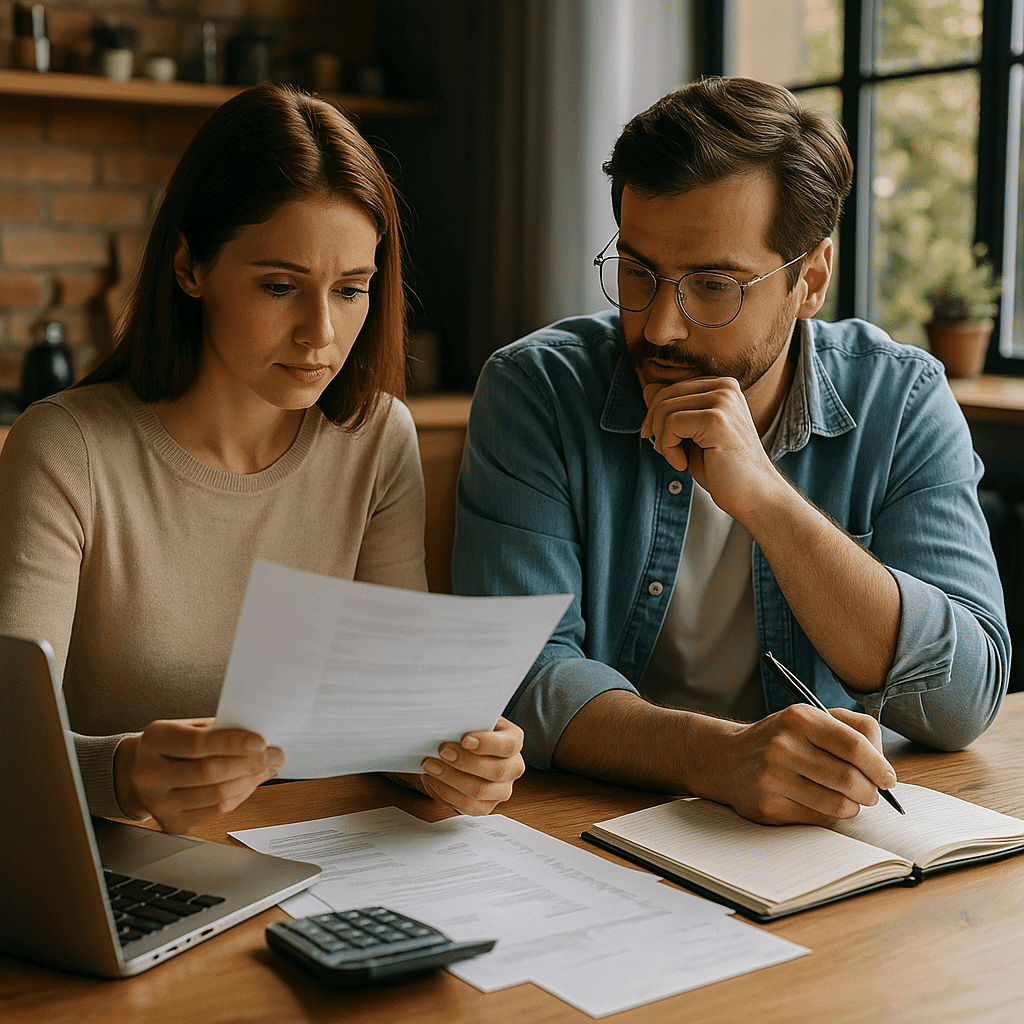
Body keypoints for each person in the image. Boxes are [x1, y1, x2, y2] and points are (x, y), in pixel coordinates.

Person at [453, 77, 1010, 827]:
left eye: (713, 285)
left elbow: (964, 697)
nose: (658, 330)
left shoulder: (901, 398)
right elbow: (522, 675)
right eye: (638, 271)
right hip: (599, 825)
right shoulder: (539, 390)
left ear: (809, 280)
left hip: (830, 837)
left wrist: (769, 502)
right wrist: (721, 758)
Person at [0, 84, 523, 835]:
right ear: (190, 266)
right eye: (280, 286)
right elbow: (13, 742)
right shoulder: (67, 447)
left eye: (350, 291)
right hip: (115, 863)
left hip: (312, 852)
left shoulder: (377, 438)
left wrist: (456, 758)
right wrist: (120, 773)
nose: (321, 334)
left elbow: (383, 716)